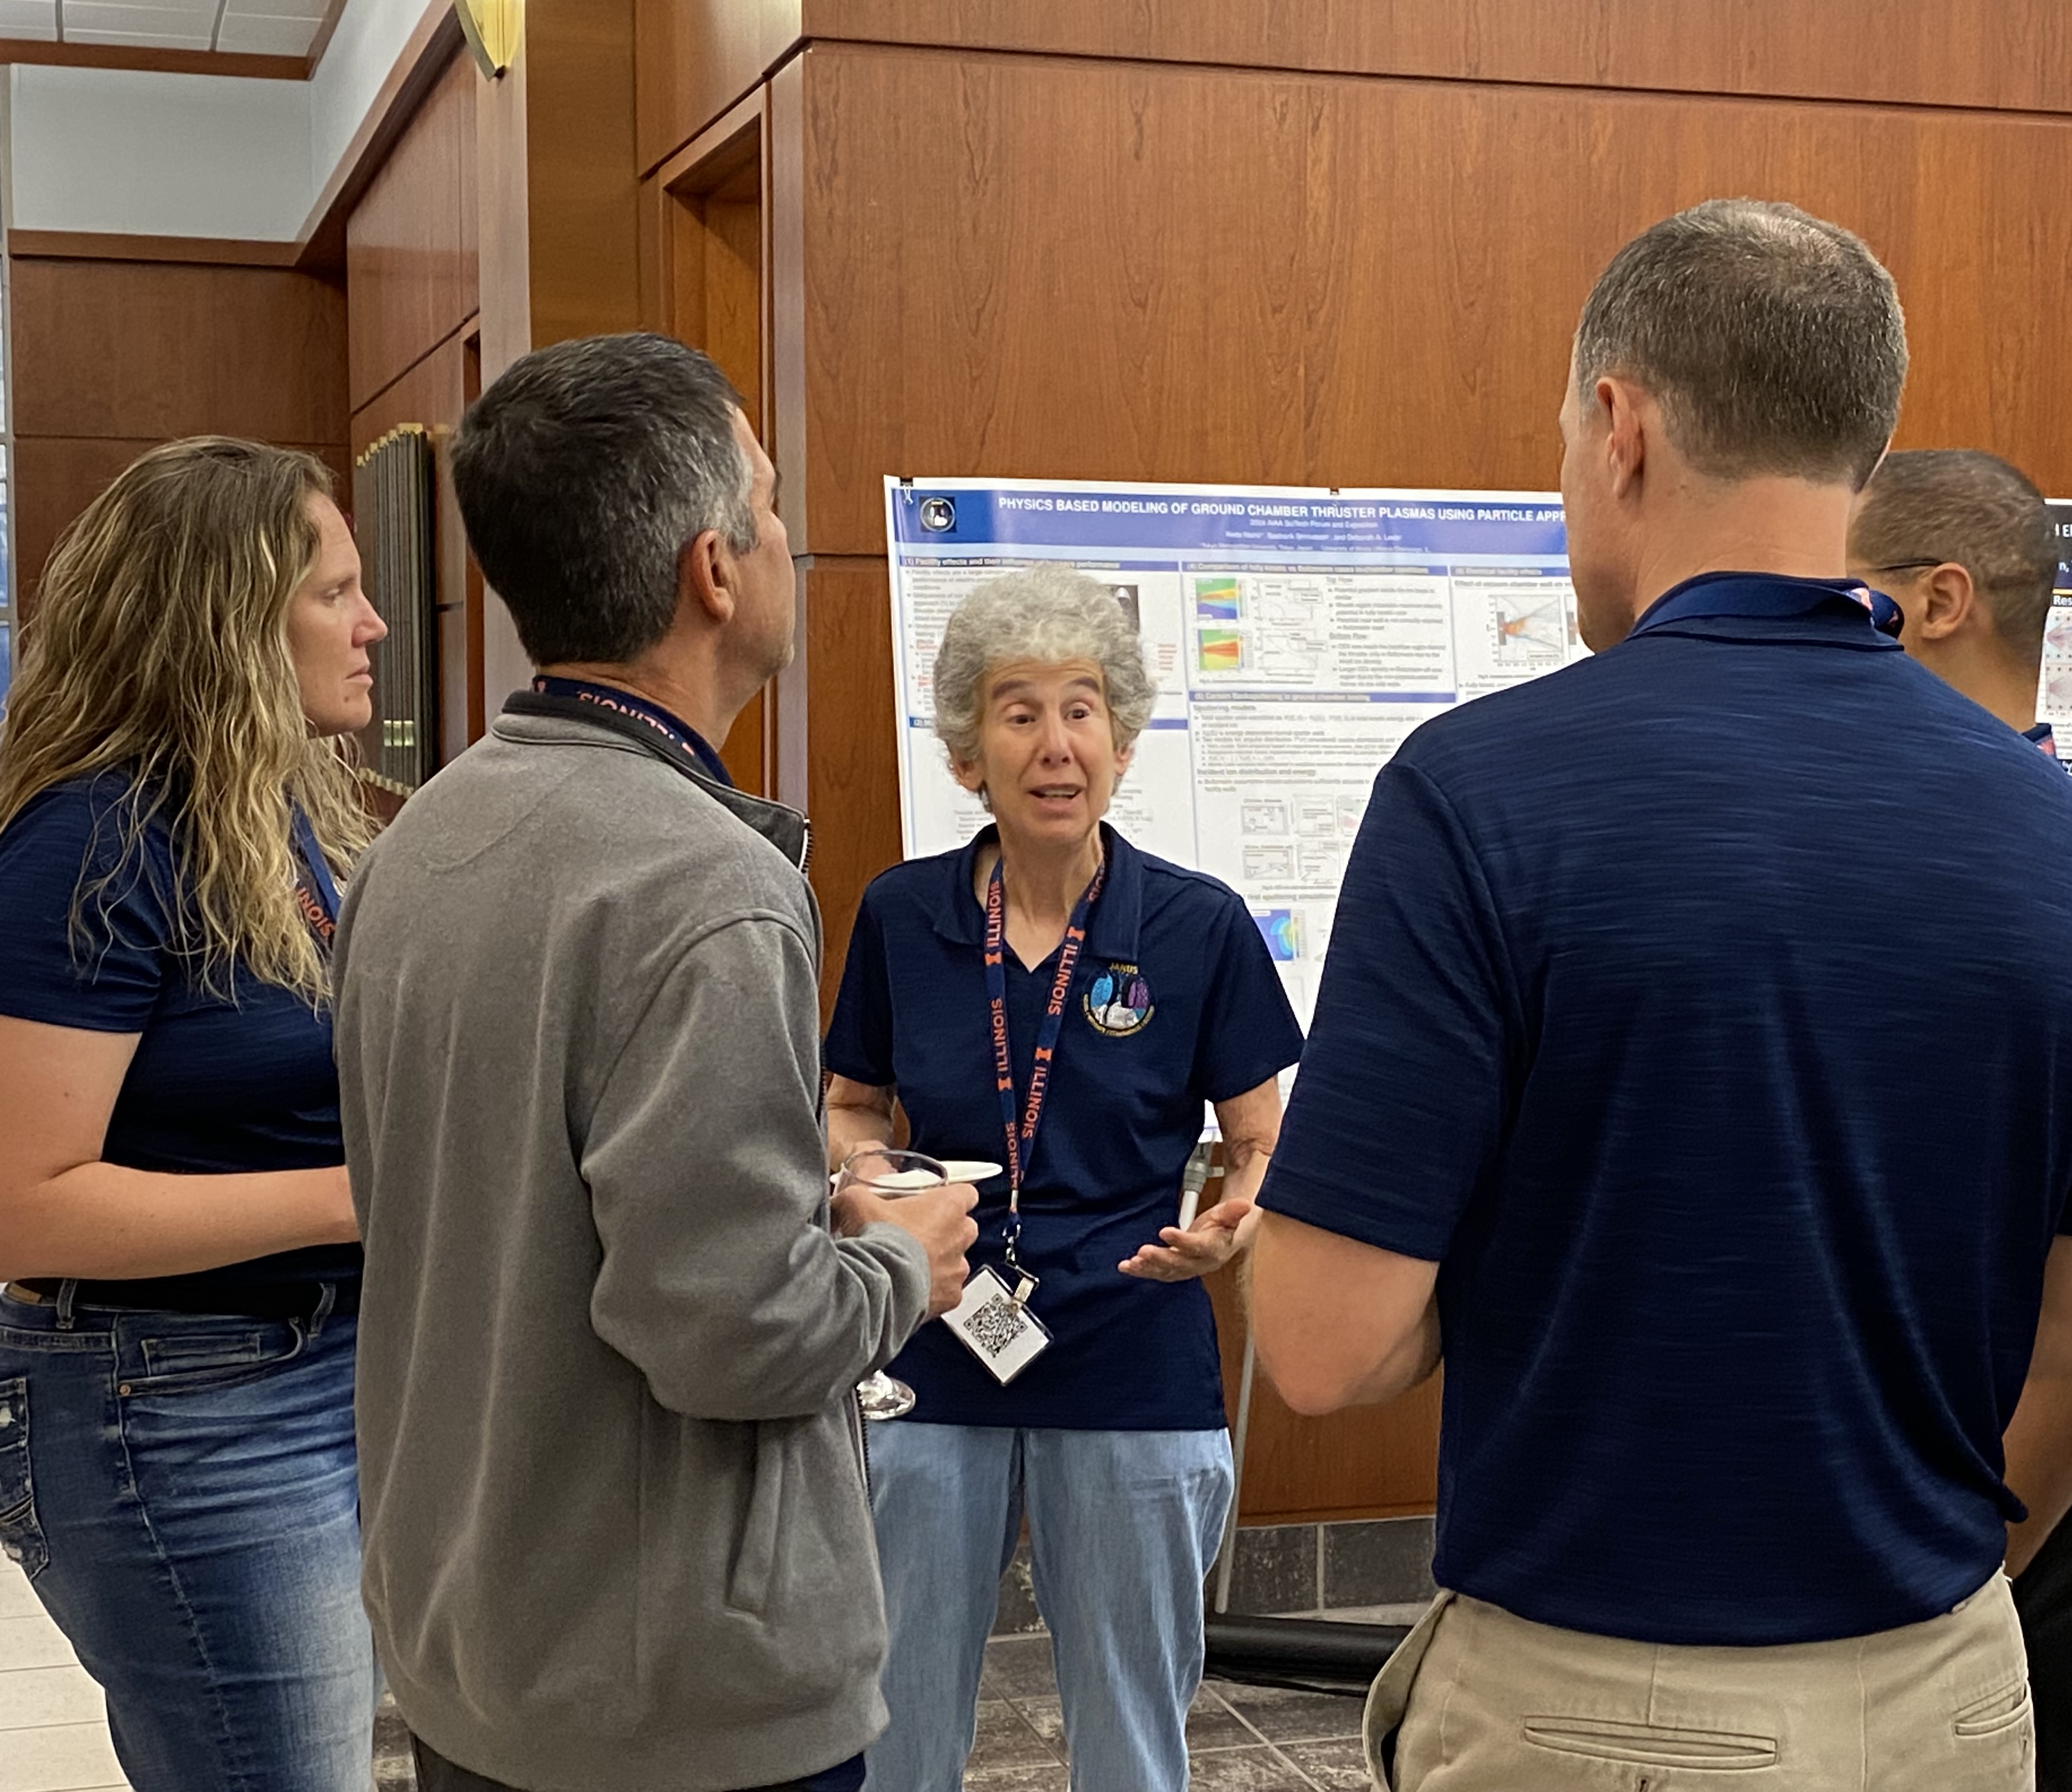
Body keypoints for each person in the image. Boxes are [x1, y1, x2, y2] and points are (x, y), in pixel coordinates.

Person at [1247, 199, 2072, 1792]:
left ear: (1618, 426)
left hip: (1596, 1704)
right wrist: (1964, 1571)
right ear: (1858, 444)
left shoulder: (1479, 796)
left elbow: (1324, 1347)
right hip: (1957, 1692)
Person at [331, 332, 978, 1792]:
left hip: (475, 1645)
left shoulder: (414, 842)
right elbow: (733, 1336)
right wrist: (900, 1264)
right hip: (672, 1701)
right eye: (771, 503)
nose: (788, 537)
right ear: (715, 570)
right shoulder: (704, 887)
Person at [824, 566, 1304, 1792]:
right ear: (966, 753)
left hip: (1134, 1346)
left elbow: (1261, 1140)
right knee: (895, 1722)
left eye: (1082, 709)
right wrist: (869, 1182)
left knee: (1133, 1732)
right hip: (935, 1338)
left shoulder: (1197, 925)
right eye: (1019, 711)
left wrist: (1235, 1222)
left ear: (1122, 741)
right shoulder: (902, 915)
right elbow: (850, 1103)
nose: (1055, 744)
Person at [0, 438, 385, 1790]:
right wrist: (366, 1196)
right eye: (334, 593)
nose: (373, 624)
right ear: (227, 625)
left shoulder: (266, 815)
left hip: (309, 1372)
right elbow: (25, 1206)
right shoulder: (92, 840)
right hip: (174, 1408)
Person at [1852, 447, 2072, 1792]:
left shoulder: (2008, 877)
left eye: (1839, 593)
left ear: (1939, 600)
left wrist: (1980, 1556)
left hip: (1998, 1458)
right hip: (1982, 1451)